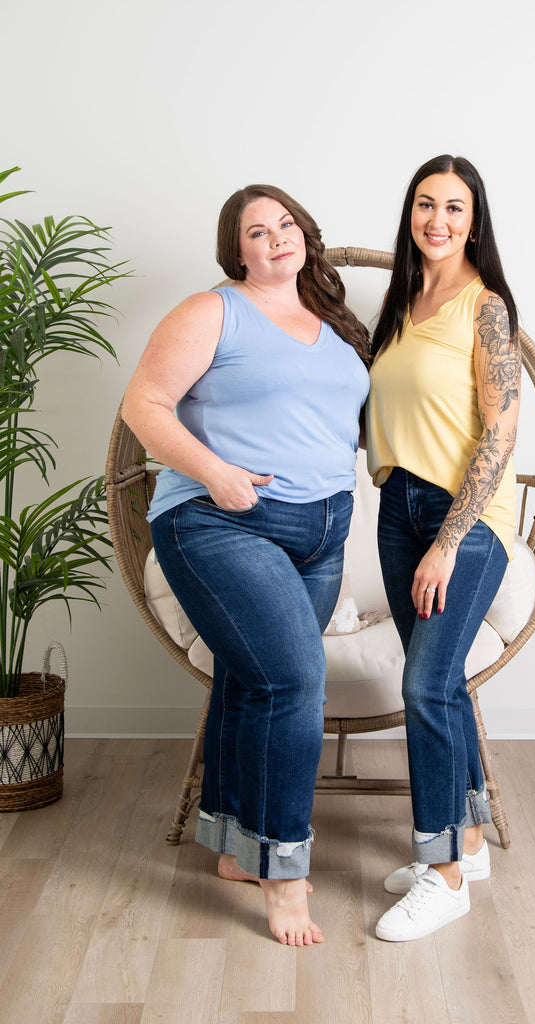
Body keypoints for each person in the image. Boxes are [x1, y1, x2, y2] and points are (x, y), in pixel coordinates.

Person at [122, 185, 370, 946]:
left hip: (322, 532)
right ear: (236, 250)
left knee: (251, 682)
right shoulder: (212, 311)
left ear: (305, 234)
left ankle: (234, 845)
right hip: (220, 520)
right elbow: (144, 405)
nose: (276, 238)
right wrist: (218, 474)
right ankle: (283, 872)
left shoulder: (333, 323)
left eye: (286, 224)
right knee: (293, 684)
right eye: (257, 231)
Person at [365, 155, 521, 941]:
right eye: (426, 204)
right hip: (398, 506)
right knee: (443, 683)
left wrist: (449, 540)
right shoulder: (401, 303)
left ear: (474, 221)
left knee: (423, 686)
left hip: (466, 517)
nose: (438, 220)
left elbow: (500, 431)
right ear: (411, 213)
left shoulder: (484, 308)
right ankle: (466, 841)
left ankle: (444, 875)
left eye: (454, 208)